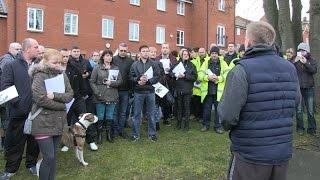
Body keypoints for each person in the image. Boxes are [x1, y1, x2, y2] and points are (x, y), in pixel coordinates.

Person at [218, 21, 300, 180]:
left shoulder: (241, 70)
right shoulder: (290, 68)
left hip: (250, 154)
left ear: (248, 42)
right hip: (281, 152)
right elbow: (295, 102)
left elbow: (228, 115)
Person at [29, 48, 73, 180]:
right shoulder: (39, 75)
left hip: (58, 121)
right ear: (46, 61)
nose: (58, 65)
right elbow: (40, 99)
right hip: (43, 122)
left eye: (60, 62)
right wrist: (61, 106)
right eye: (55, 62)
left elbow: (70, 94)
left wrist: (54, 95)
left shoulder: (62, 75)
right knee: (49, 157)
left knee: (53, 157)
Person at [0, 38, 40, 179]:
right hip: (18, 113)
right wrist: (19, 103)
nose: (38, 49)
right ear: (27, 49)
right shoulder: (11, 65)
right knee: (15, 143)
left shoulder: (39, 66)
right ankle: (11, 169)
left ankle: (31, 164)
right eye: (36, 47)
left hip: (37, 112)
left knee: (34, 142)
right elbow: (5, 86)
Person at [64, 46, 97, 151]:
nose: (64, 58)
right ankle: (67, 142)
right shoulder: (57, 69)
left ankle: (91, 141)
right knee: (67, 122)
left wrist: (83, 94)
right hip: (65, 99)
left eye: (65, 56)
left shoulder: (75, 67)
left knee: (85, 119)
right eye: (63, 56)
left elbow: (82, 82)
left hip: (78, 98)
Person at [90, 50, 122, 143]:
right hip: (100, 96)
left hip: (112, 95)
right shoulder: (97, 68)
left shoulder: (115, 68)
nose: (109, 57)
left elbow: (120, 81)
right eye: (107, 55)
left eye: (110, 56)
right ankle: (99, 135)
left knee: (109, 116)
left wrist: (111, 83)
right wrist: (97, 93)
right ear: (103, 57)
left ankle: (108, 134)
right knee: (100, 116)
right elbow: (92, 81)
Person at [129, 45, 159, 142]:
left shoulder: (154, 64)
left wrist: (149, 81)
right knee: (137, 114)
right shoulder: (135, 64)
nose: (145, 53)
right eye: (143, 51)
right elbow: (131, 77)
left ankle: (152, 134)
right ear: (140, 53)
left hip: (150, 92)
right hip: (138, 92)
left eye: (147, 51)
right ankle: (135, 134)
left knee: (151, 114)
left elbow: (157, 76)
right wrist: (138, 80)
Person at [199, 46, 227, 134]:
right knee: (206, 109)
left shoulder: (222, 62)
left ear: (218, 54)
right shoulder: (206, 62)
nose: (214, 55)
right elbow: (200, 74)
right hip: (208, 91)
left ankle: (217, 126)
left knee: (218, 110)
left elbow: (227, 74)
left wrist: (218, 78)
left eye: (215, 53)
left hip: (218, 91)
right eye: (212, 53)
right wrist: (208, 77)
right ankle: (205, 125)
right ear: (210, 54)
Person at [0, 42, 22, 150]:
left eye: (20, 49)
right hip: (5, 95)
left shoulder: (11, 59)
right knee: (6, 120)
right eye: (17, 49)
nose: (19, 52)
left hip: (6, 94)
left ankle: (5, 144)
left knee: (6, 121)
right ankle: (6, 145)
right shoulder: (7, 60)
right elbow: (8, 78)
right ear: (10, 49)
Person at [169, 49, 197, 131]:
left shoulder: (192, 65)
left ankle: (186, 125)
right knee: (179, 107)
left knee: (187, 108)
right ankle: (179, 123)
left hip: (187, 90)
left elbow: (195, 77)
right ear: (181, 55)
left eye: (187, 54)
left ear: (189, 55)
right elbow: (171, 73)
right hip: (178, 89)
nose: (185, 55)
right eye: (184, 54)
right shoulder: (177, 64)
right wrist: (176, 74)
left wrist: (185, 76)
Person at [294, 43, 317, 135]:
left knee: (310, 110)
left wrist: (306, 63)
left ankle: (312, 129)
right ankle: (300, 128)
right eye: (299, 50)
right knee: (299, 110)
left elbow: (314, 70)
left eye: (303, 50)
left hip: (309, 88)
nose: (301, 52)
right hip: (298, 88)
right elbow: (289, 69)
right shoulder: (295, 60)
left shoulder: (312, 60)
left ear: (307, 51)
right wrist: (294, 62)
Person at [113, 43, 134, 138]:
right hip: (114, 90)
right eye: (121, 50)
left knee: (123, 112)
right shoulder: (113, 60)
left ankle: (121, 130)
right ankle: (114, 130)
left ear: (127, 51)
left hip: (126, 91)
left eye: (125, 50)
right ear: (118, 49)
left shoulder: (131, 61)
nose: (123, 52)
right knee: (115, 111)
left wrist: (131, 90)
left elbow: (132, 75)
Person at [155, 43, 177, 126]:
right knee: (158, 100)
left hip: (170, 82)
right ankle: (157, 119)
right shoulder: (157, 58)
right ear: (161, 49)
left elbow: (176, 70)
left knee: (167, 101)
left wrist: (170, 69)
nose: (165, 49)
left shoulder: (173, 59)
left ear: (169, 49)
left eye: (166, 48)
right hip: (159, 83)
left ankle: (166, 118)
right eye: (163, 48)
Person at [191, 47, 209, 122]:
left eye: (202, 52)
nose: (201, 53)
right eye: (200, 52)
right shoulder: (194, 61)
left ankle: (202, 117)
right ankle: (196, 115)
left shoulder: (209, 60)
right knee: (196, 101)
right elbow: (192, 71)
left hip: (205, 83)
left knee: (204, 103)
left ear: (205, 52)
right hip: (196, 84)